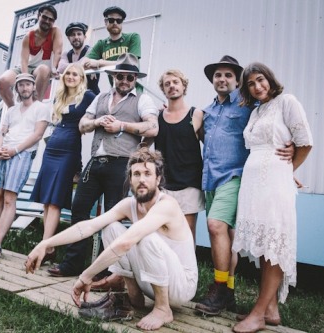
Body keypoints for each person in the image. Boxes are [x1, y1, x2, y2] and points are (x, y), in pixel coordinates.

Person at [26, 148, 198, 331]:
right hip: (152, 281)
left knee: (141, 237)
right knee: (111, 228)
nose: (141, 179)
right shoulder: (129, 205)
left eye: (148, 174)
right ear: (130, 180)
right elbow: (88, 226)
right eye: (136, 174)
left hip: (181, 286)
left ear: (157, 179)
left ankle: (163, 309)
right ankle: (134, 296)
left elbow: (125, 244)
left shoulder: (167, 205)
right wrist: (46, 243)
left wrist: (86, 275)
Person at [195, 56, 294, 316]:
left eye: (229, 75)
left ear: (236, 80)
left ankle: (220, 289)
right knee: (226, 235)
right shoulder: (207, 111)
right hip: (210, 178)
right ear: (212, 80)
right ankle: (229, 289)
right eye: (218, 75)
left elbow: (273, 124)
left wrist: (291, 150)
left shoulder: (246, 106)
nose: (222, 79)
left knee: (215, 225)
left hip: (235, 176)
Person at [46, 53, 158, 280]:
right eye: (120, 76)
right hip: (96, 160)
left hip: (121, 164)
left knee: (112, 218)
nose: (125, 81)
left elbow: (153, 128)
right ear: (114, 76)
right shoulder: (101, 98)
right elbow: (82, 124)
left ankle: (107, 269)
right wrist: (98, 122)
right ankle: (72, 263)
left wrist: (121, 125)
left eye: (129, 77)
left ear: (135, 78)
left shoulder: (143, 100)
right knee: (79, 210)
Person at [231, 62, 313, 333]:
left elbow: (305, 142)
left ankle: (257, 313)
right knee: (266, 244)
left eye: (261, 80)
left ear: (270, 79)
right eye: (251, 84)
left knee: (275, 242)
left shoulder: (286, 102)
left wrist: (288, 170)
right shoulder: (256, 111)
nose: (257, 87)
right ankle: (271, 309)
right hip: (253, 185)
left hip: (275, 181)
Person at [0, 73, 51, 261]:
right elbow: (1, 132)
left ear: (34, 87)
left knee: (9, 198)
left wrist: (14, 150)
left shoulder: (41, 108)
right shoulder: (11, 110)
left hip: (21, 154)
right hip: (4, 152)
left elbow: (37, 135)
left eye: (28, 85)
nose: (24, 88)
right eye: (21, 85)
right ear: (16, 89)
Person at [30, 63, 96, 263]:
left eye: (76, 74)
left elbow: (100, 108)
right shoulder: (60, 96)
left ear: (82, 78)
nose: (71, 77)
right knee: (47, 199)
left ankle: (46, 245)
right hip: (51, 149)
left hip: (69, 150)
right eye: (68, 73)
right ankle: (47, 247)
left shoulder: (88, 96)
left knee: (56, 199)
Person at [153, 69, 204, 241]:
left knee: (187, 230)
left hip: (189, 181)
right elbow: (143, 144)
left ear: (183, 86)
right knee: (163, 229)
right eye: (167, 84)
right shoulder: (157, 117)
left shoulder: (196, 114)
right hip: (164, 182)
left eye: (175, 82)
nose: (172, 86)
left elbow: (210, 145)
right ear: (163, 90)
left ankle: (188, 268)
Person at [0, 4, 63, 107]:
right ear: (39, 16)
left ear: (53, 22)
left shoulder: (55, 31)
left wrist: (54, 68)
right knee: (2, 81)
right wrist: (25, 77)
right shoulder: (28, 36)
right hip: (26, 68)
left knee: (44, 69)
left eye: (50, 19)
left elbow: (58, 51)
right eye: (44, 17)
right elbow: (24, 60)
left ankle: (32, 109)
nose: (47, 21)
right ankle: (12, 109)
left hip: (41, 70)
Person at [81, 6, 141, 89]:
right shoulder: (101, 44)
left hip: (134, 90)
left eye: (119, 20)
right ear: (106, 22)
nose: (115, 23)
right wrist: (91, 66)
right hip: (116, 90)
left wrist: (99, 63)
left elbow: (130, 63)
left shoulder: (132, 37)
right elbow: (84, 62)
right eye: (111, 20)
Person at [57, 22, 100, 95]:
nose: (76, 37)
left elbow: (80, 64)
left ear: (84, 36)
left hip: (90, 94)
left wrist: (67, 67)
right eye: (73, 35)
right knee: (57, 99)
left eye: (79, 34)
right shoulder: (66, 54)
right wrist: (83, 66)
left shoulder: (91, 51)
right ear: (68, 38)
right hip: (71, 95)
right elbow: (61, 68)